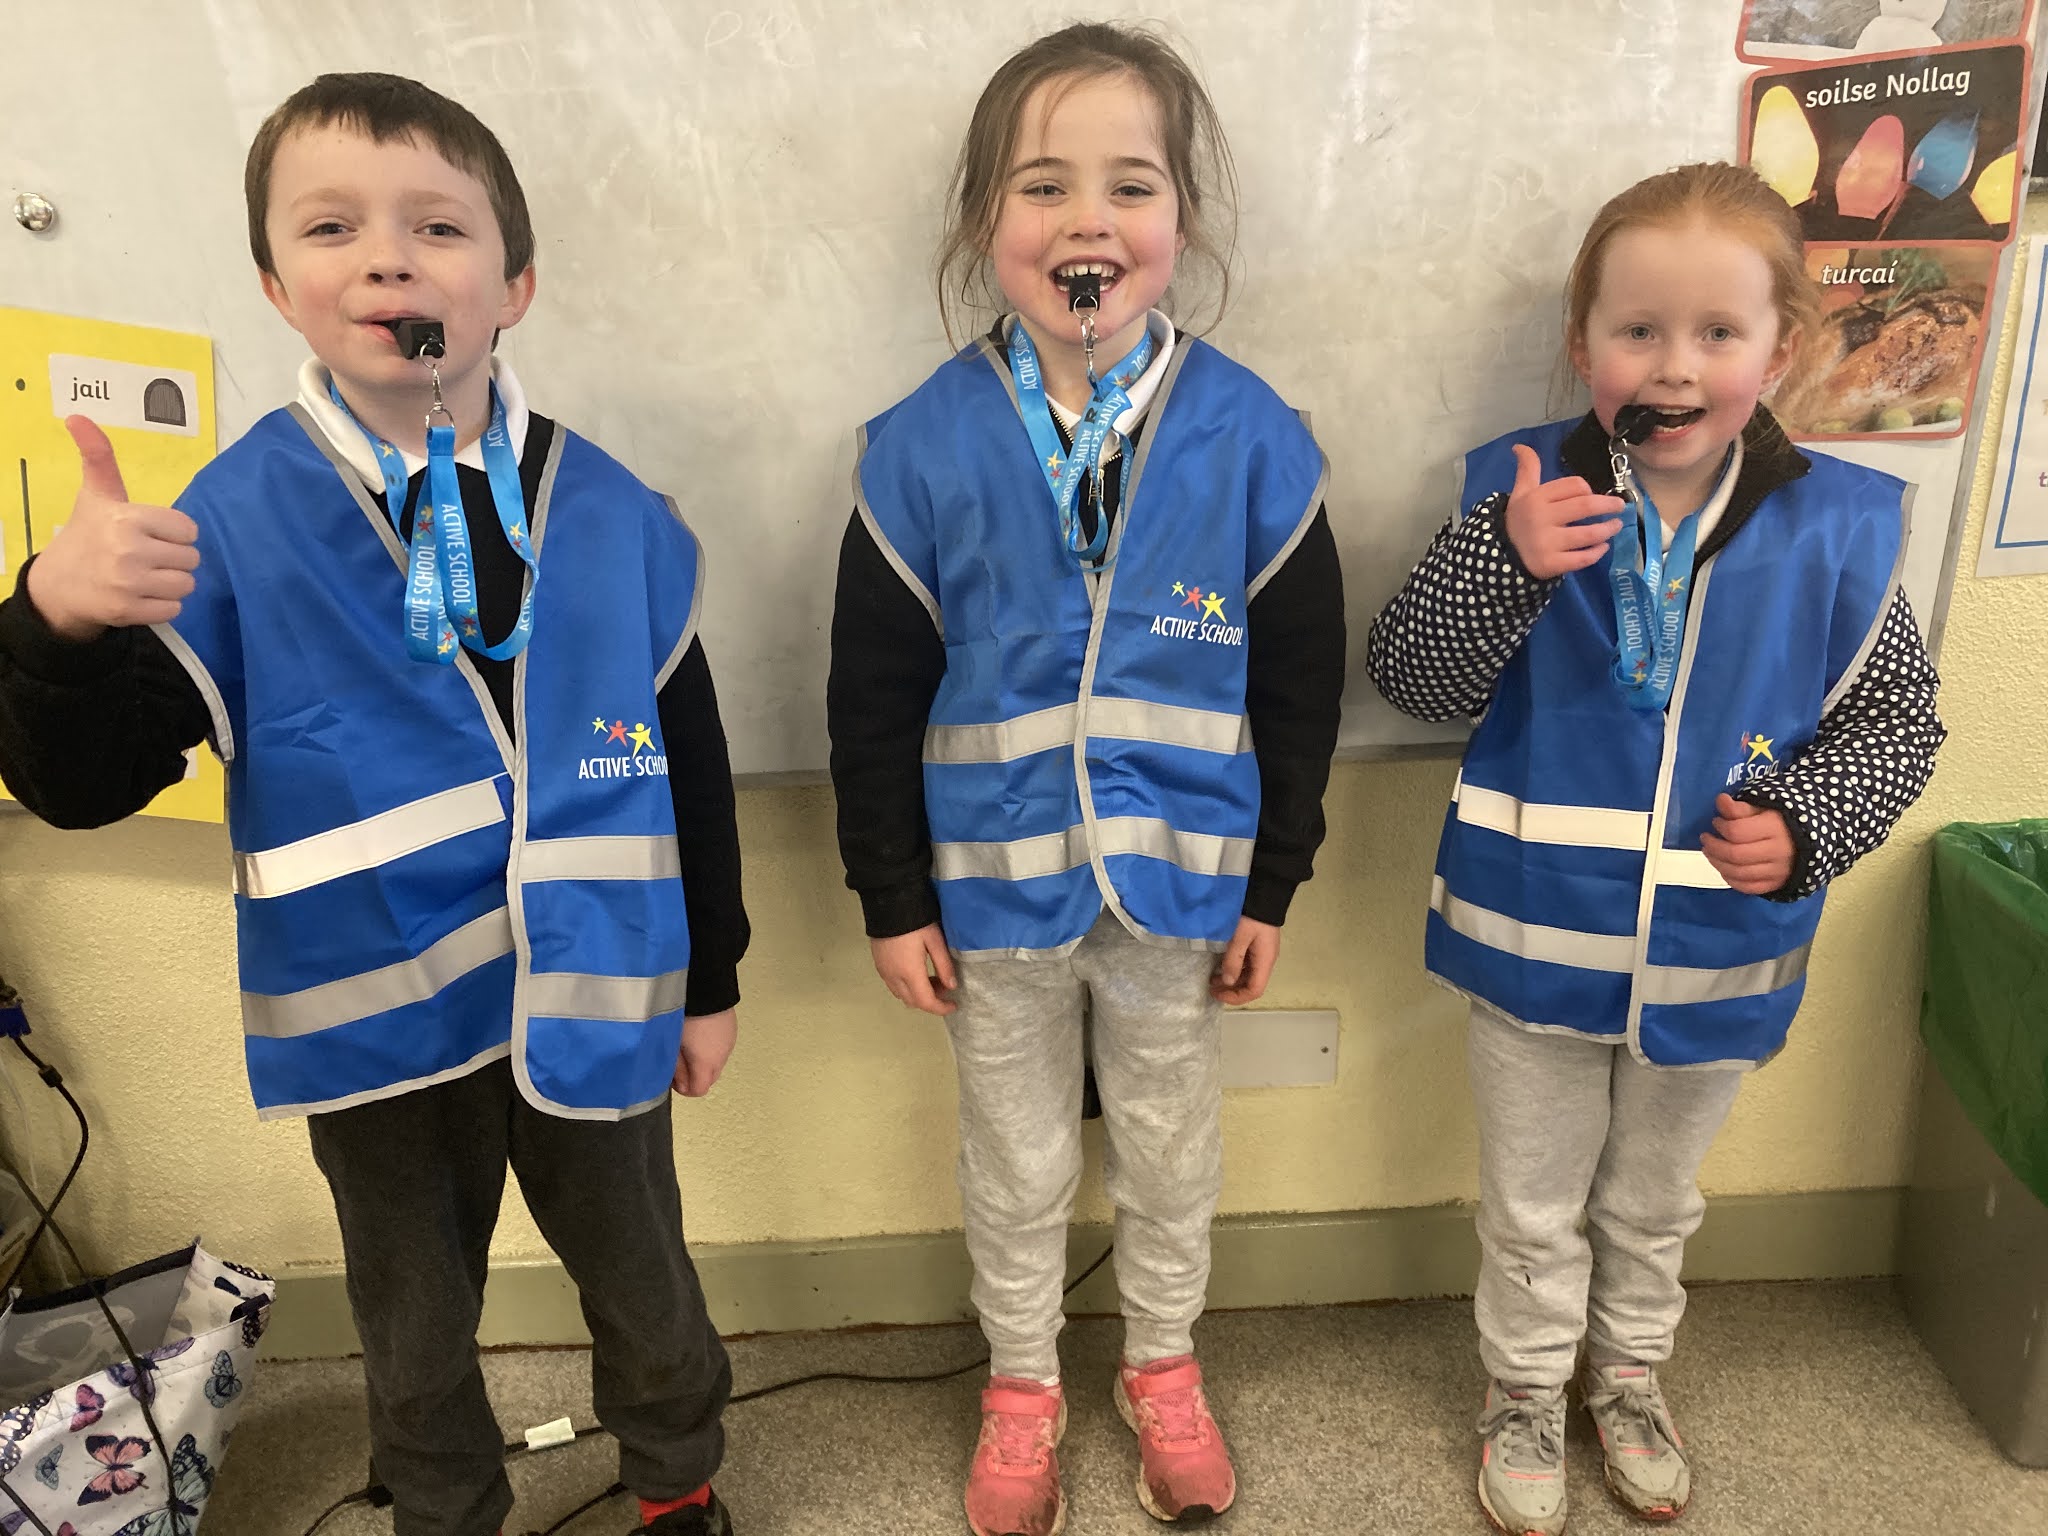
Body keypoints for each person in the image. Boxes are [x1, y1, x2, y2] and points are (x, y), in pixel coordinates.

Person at [0, 73, 748, 1536]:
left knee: (647, 1281)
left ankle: (679, 1487)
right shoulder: (223, 523)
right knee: (413, 1331)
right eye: (334, 227)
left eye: (438, 227)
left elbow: (693, 756)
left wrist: (708, 974)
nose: (389, 259)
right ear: (279, 287)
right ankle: (443, 1510)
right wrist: (48, 622)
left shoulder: (613, 512)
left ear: (512, 284)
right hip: (374, 1027)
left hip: (596, 986)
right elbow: (78, 787)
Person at [1367, 161, 1945, 1535]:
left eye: (1717, 334)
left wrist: (1808, 826)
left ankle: (1624, 1377)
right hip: (1531, 944)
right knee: (1530, 1204)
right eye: (1638, 331)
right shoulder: (1518, 495)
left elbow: (1898, 726)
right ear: (1584, 346)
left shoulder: (1845, 531)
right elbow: (1415, 679)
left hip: (1722, 957)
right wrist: (1501, 562)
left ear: (1781, 351)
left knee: (1651, 1202)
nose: (1673, 366)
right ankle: (1519, 1388)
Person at [827, 22, 1345, 1536]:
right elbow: (870, 700)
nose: (1087, 224)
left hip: (1182, 887)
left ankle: (1165, 1363)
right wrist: (889, 896)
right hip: (990, 890)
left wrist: (1274, 883)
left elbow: (1300, 688)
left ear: (1181, 222)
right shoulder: (916, 449)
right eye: (1043, 187)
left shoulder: (1258, 441)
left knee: (1175, 1142)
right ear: (987, 225)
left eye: (1130, 185)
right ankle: (1023, 1382)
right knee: (1016, 1155)